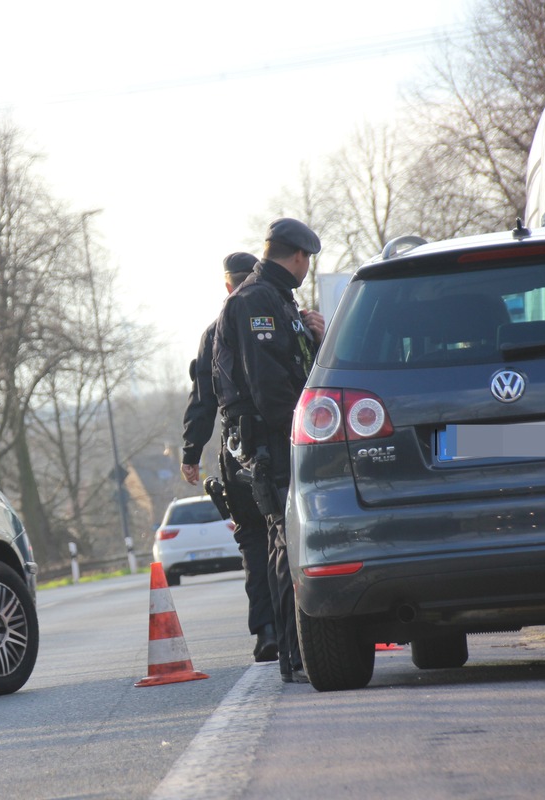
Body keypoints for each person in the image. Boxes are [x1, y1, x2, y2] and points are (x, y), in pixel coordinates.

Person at [212, 219, 325, 684]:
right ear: (297, 256)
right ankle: (293, 652)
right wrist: (300, 432)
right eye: (307, 261)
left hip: (283, 436)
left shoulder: (279, 299)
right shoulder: (256, 300)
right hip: (272, 440)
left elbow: (293, 366)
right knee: (283, 540)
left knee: (290, 539)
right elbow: (269, 386)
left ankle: (299, 647)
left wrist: (316, 338)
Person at [180, 251, 277, 663]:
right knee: (285, 536)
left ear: (226, 285)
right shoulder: (278, 314)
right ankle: (297, 627)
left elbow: (203, 399)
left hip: (238, 450)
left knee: (254, 541)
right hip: (283, 442)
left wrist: (190, 452)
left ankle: (267, 631)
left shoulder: (213, 332)